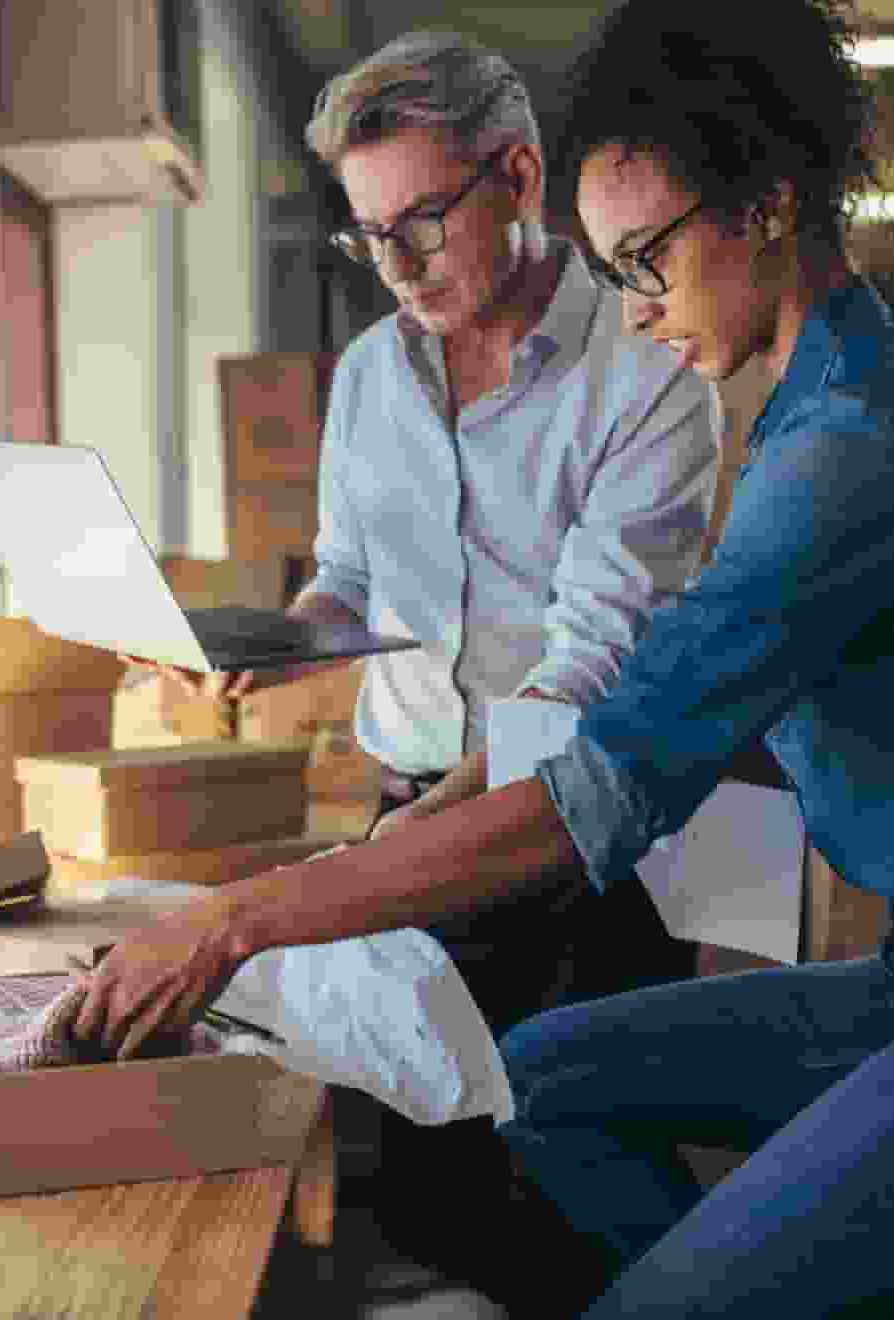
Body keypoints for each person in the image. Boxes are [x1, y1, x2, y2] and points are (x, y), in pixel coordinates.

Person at [77, 0, 894, 1312]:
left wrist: (238, 921)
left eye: (648, 264)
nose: (634, 315)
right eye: (615, 270)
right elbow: (607, 722)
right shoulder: (812, 407)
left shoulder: (854, 449)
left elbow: (596, 773)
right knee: (549, 1078)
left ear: (766, 206)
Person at [157, 29, 721, 1300]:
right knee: (424, 1189)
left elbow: (586, 680)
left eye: (423, 220)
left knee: (576, 1166)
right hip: (410, 806)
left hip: (565, 836)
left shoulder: (647, 376)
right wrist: (283, 642)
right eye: (369, 235)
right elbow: (349, 575)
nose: (397, 267)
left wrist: (367, 877)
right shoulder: (369, 377)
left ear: (519, 175)